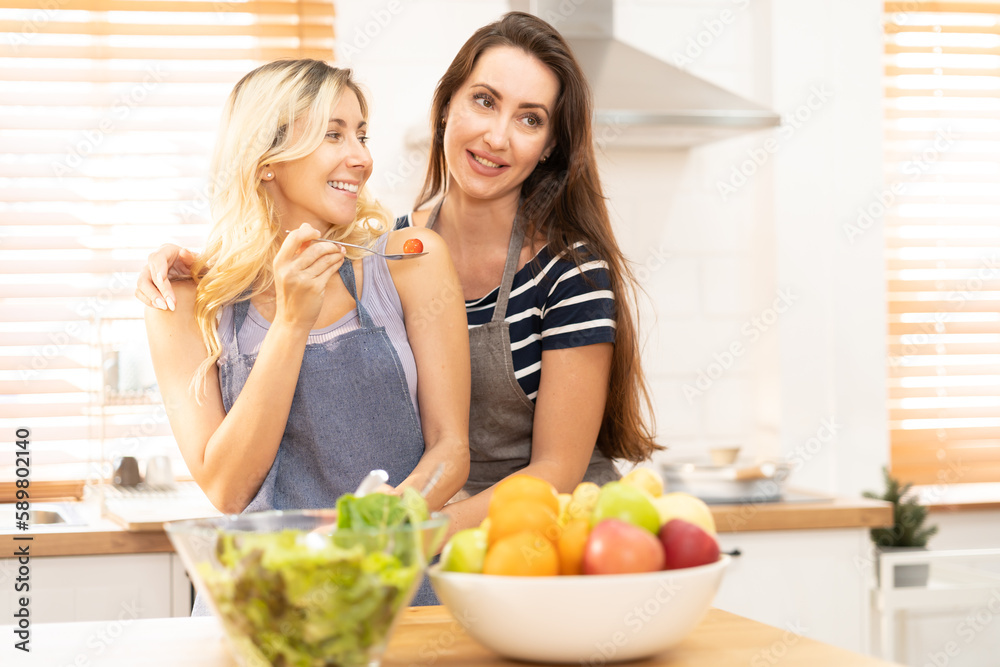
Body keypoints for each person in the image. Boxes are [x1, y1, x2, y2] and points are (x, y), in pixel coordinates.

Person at [137, 12, 658, 539]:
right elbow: (228, 484)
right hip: (428, 543)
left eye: (530, 119)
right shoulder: (401, 244)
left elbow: (553, 471)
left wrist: (388, 531)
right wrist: (209, 268)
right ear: (446, 107)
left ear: (549, 145)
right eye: (484, 100)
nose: (497, 136)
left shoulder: (559, 272)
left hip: (547, 536)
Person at [143, 59, 470, 527]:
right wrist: (292, 322)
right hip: (264, 590)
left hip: (390, 577)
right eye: (333, 134)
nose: (362, 158)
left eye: (361, 135)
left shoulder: (409, 262)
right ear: (267, 161)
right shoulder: (186, 302)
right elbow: (227, 490)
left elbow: (452, 449)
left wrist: (382, 526)